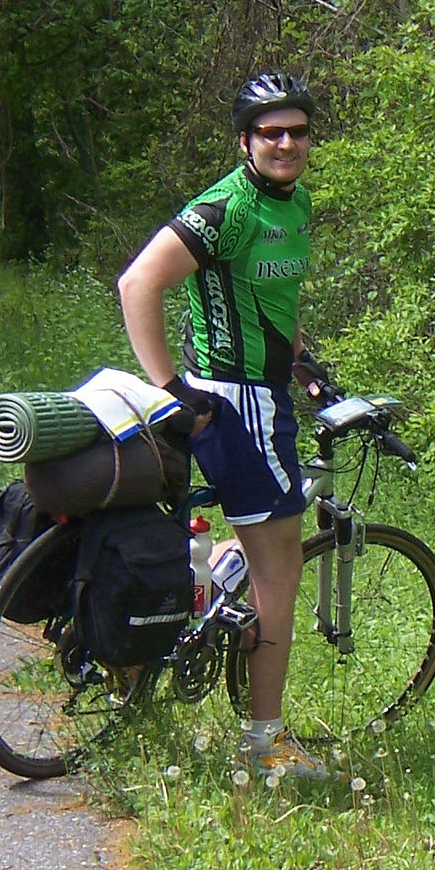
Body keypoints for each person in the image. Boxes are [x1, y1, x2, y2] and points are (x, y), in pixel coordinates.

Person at [117, 70, 330, 781]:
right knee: (283, 566)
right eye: (271, 132)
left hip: (265, 393)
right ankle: (265, 744)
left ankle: (204, 620)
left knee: (256, 538)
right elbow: (138, 282)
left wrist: (304, 364)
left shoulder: (293, 204)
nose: (286, 142)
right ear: (245, 141)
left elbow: (271, 295)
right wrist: (170, 387)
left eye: (297, 131)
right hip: (236, 404)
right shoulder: (226, 209)